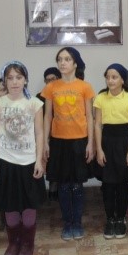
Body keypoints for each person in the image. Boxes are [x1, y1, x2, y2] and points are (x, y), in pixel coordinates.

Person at [0, 61, 45, 255]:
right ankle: (13, 243)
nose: (14, 82)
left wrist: (39, 161)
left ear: (25, 80)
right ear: (4, 81)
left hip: (29, 162)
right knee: (9, 206)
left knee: (29, 205)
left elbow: (39, 133)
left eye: (19, 77)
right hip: (5, 161)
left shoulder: (35, 103)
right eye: (10, 78)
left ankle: (28, 243)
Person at [41, 47, 95, 241]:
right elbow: (47, 116)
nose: (62, 63)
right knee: (63, 185)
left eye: (67, 59)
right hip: (59, 142)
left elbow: (90, 116)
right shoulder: (51, 87)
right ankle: (67, 223)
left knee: (77, 185)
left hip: (80, 141)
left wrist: (91, 143)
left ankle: (77, 223)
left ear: (75, 63)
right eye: (60, 59)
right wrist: (45, 142)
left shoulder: (85, 87)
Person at [93, 63, 128, 239]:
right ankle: (110, 219)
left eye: (114, 77)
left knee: (122, 184)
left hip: (124, 142)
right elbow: (97, 125)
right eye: (108, 77)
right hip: (106, 142)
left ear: (122, 80)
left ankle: (120, 219)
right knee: (107, 184)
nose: (110, 80)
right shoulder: (100, 98)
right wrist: (99, 149)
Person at [36, 67, 61, 201]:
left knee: (58, 161)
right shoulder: (39, 96)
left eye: (53, 79)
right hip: (44, 133)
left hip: (61, 133)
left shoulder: (64, 93)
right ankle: (48, 186)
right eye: (47, 80)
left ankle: (56, 185)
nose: (50, 82)